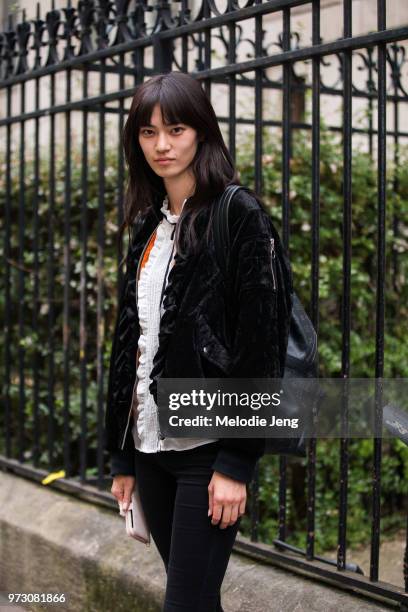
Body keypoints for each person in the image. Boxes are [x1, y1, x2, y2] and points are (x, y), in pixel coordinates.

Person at [104, 71, 293, 611]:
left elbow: (262, 345)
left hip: (205, 453)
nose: (161, 145)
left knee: (183, 603)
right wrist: (122, 456)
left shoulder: (239, 215)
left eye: (176, 129)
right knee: (196, 599)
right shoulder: (148, 225)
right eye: (147, 133)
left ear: (203, 132)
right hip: (150, 448)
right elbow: (130, 344)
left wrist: (237, 462)